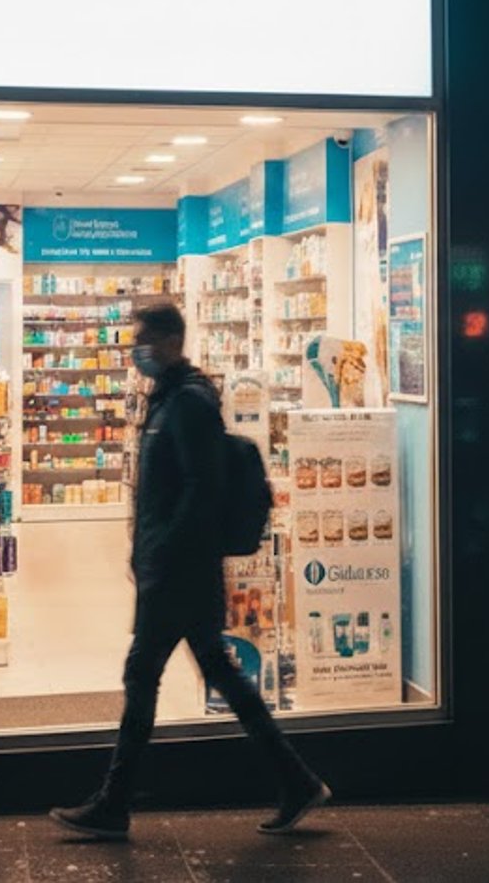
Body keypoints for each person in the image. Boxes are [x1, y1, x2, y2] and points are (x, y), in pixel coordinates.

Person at [52, 305, 326, 841]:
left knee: (141, 675)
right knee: (218, 670)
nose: (138, 349)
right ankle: (297, 781)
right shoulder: (170, 400)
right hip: (176, 565)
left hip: (179, 569)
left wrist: (164, 551)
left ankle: (114, 803)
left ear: (174, 340)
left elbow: (202, 490)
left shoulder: (190, 403)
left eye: (146, 339)